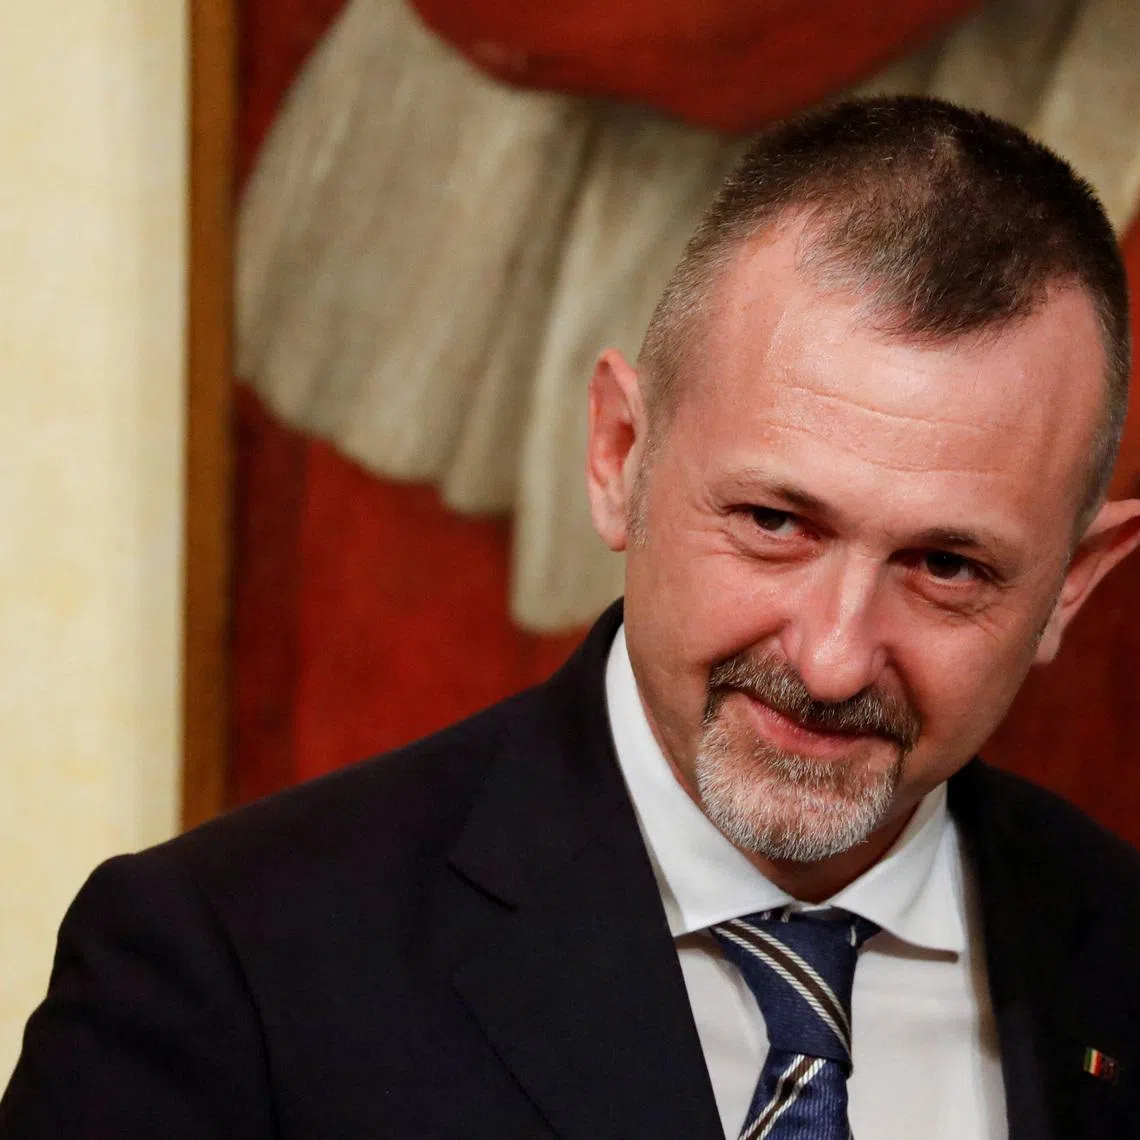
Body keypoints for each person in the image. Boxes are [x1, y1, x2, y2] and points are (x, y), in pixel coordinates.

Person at [4, 95, 1140, 1140]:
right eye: (776, 523)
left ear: (1071, 586)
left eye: (946, 566)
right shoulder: (226, 971)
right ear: (620, 458)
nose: (835, 658)